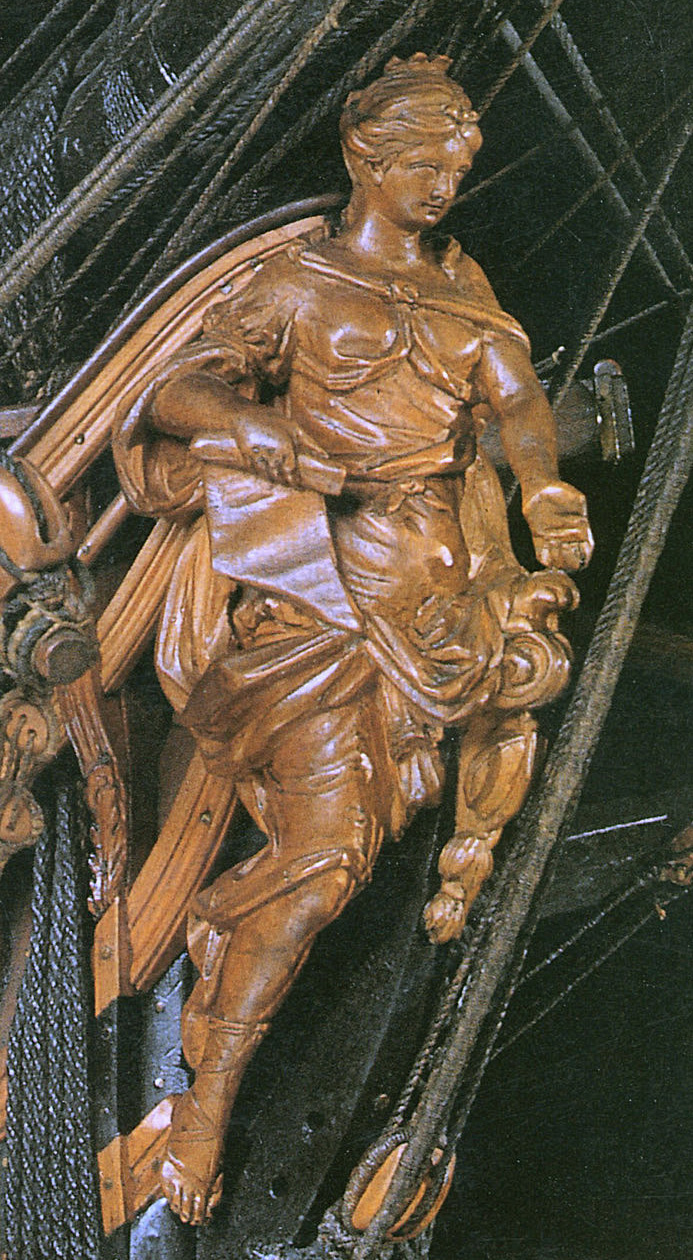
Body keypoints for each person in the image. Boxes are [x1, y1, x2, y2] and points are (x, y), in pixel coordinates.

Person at [113, 51, 593, 1226]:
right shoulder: (300, 283)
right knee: (325, 863)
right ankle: (205, 1108)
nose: (443, 184)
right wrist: (253, 429)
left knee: (354, 855)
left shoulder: (466, 300)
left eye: (457, 166)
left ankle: (222, 1012)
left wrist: (541, 489)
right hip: (317, 600)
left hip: (436, 618)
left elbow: (521, 405)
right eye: (423, 161)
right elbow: (177, 394)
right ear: (364, 156)